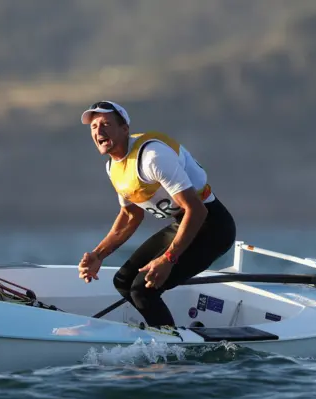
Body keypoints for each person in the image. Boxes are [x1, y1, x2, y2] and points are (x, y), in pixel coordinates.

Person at [77, 100, 236, 328]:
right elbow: (131, 216)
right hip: (184, 223)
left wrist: (168, 259)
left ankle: (169, 350)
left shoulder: (152, 156)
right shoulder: (113, 167)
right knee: (123, 282)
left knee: (142, 290)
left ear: (124, 129)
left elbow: (197, 209)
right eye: (93, 127)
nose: (98, 131)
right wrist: (98, 255)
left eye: (105, 124)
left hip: (213, 227)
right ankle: (162, 332)